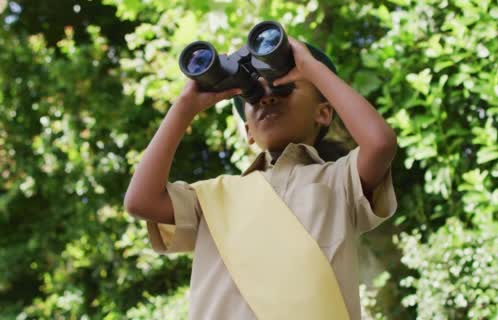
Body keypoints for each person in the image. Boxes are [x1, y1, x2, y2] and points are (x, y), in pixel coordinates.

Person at [124, 36, 398, 320]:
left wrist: (311, 67)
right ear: (248, 132)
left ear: (324, 112)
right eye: (252, 96)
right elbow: (140, 201)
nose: (266, 97)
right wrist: (184, 105)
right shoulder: (212, 196)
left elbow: (379, 144)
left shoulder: (339, 181)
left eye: (284, 88)